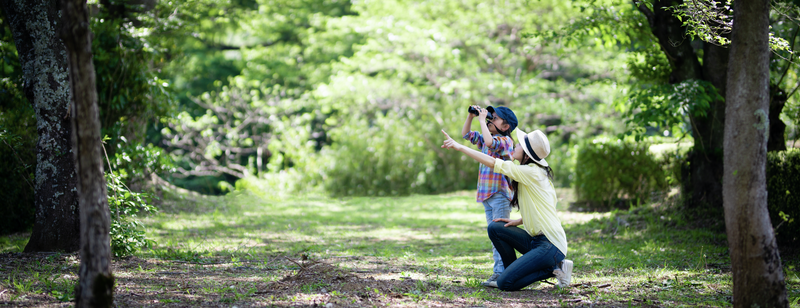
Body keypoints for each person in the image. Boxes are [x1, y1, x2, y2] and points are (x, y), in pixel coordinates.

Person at [441, 128, 573, 291]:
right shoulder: (532, 173)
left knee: (505, 284)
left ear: (526, 154)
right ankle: (511, 271)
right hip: (536, 241)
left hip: (551, 245)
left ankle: (555, 269)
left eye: (519, 145)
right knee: (496, 228)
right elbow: (544, 207)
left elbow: (492, 162)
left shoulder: (531, 172)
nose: (515, 146)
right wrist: (518, 221)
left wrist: (459, 146)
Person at [460, 105, 518, 287]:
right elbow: (466, 135)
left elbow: (489, 143)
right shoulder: (489, 137)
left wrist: (482, 121)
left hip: (499, 194)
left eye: (495, 117)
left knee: (499, 236)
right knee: (494, 236)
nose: (490, 119)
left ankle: (500, 273)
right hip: (486, 195)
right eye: (490, 116)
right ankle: (500, 271)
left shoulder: (505, 141)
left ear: (506, 126)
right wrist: (471, 117)